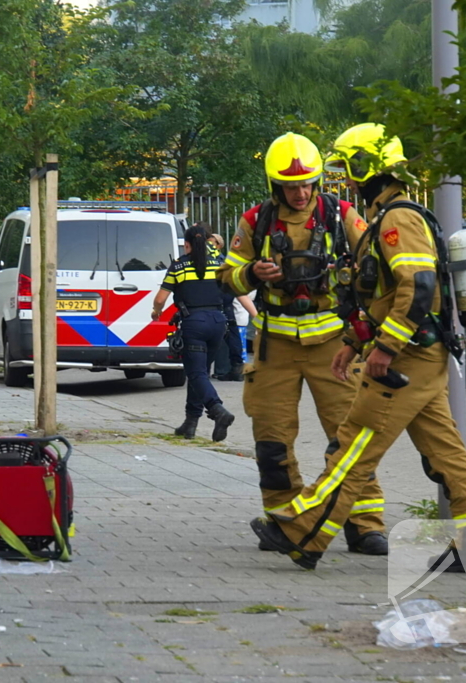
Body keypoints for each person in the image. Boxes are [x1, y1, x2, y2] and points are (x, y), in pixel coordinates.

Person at [249, 123, 466, 570]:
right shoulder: (387, 216)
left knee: (354, 445)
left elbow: (418, 285)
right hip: (420, 354)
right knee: (448, 458)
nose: (347, 180)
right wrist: (354, 342)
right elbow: (386, 295)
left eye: (349, 169)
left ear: (368, 167)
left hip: (407, 358)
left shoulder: (396, 219)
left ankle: (302, 533)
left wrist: (385, 348)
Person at [217, 132, 389, 556]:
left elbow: (375, 266)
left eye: (307, 184)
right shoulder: (255, 221)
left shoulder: (341, 215)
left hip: (334, 343)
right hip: (275, 344)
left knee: (349, 435)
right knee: (271, 439)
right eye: (291, 186)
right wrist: (253, 274)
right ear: (275, 186)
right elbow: (227, 278)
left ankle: (364, 524)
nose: (301, 193)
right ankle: (284, 522)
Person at [152, 224, 236, 442]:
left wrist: (156, 312)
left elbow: (160, 299)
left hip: (195, 323)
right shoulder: (219, 264)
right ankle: (190, 423)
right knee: (200, 373)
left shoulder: (179, 266)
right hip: (218, 322)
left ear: (186, 244)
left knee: (196, 373)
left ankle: (217, 410)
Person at [205, 231, 257, 381]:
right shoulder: (224, 262)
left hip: (222, 304)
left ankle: (231, 368)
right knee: (231, 335)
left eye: (213, 242)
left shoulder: (223, 262)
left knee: (228, 336)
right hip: (227, 305)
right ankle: (235, 368)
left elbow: (240, 291)